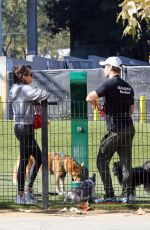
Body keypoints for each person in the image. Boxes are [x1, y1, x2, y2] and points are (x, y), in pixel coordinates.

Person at [86, 56, 135, 203]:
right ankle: (127, 195)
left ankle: (109, 194)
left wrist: (95, 103)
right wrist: (106, 108)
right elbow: (132, 110)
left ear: (110, 67)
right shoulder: (127, 86)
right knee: (126, 163)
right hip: (129, 127)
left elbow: (89, 97)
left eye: (104, 66)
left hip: (116, 129)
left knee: (101, 160)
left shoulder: (110, 84)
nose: (103, 69)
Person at [9, 65, 49, 204]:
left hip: (19, 127)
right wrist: (37, 98)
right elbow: (45, 93)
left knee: (28, 159)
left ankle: (25, 193)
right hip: (25, 128)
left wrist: (35, 101)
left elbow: (30, 98)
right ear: (23, 76)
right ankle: (23, 194)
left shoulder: (14, 88)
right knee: (38, 157)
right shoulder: (25, 89)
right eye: (29, 74)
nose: (31, 77)